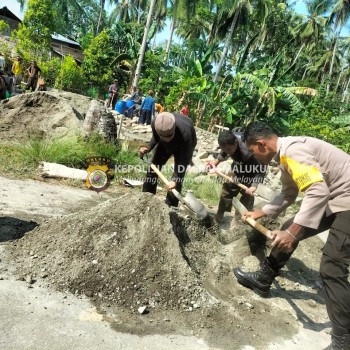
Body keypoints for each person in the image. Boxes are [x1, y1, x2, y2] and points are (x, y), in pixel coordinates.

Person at [233, 121, 350, 350]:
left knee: (332, 266)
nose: (254, 157)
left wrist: (292, 232)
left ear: (261, 144)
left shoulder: (294, 151)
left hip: (347, 200)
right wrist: (261, 212)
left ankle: (344, 340)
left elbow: (317, 191)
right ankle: (263, 280)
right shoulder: (285, 156)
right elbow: (289, 193)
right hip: (336, 198)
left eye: (253, 151)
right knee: (290, 224)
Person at [207, 130, 267, 223]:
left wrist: (253, 186)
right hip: (237, 166)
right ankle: (220, 213)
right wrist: (215, 163)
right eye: (226, 149)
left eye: (229, 150)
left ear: (236, 143)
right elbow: (224, 151)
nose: (228, 152)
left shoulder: (249, 150)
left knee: (247, 197)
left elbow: (261, 169)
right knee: (227, 189)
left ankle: (240, 220)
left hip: (252, 172)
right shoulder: (229, 139)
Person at [139, 112, 197, 207]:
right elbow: (155, 137)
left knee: (176, 180)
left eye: (170, 136)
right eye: (164, 136)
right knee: (152, 170)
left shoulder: (185, 133)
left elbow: (184, 160)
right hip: (162, 145)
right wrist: (148, 147)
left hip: (183, 145)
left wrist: (176, 179)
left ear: (174, 129)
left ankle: (171, 206)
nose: (168, 139)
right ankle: (146, 199)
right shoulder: (155, 123)